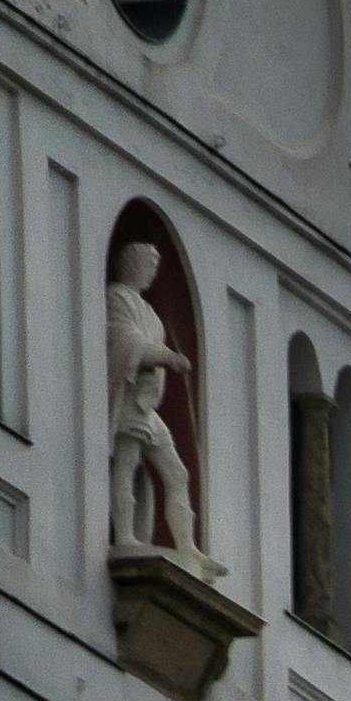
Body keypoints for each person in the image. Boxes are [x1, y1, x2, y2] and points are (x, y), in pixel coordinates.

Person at [106, 239, 208, 568]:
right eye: (147, 265)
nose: (151, 272)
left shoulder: (150, 313)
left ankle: (187, 546)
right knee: (126, 465)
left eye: (154, 266)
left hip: (146, 405)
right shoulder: (117, 297)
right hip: (129, 400)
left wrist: (164, 359)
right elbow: (125, 340)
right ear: (131, 264)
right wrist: (169, 358)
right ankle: (124, 536)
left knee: (177, 474)